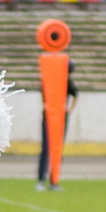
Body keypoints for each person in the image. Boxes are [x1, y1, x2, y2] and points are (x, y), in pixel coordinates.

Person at [36, 58, 78, 191]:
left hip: (59, 117)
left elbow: (75, 94)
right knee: (47, 148)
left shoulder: (66, 82)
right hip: (51, 117)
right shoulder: (53, 80)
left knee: (55, 149)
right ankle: (42, 180)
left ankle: (53, 180)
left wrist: (68, 110)